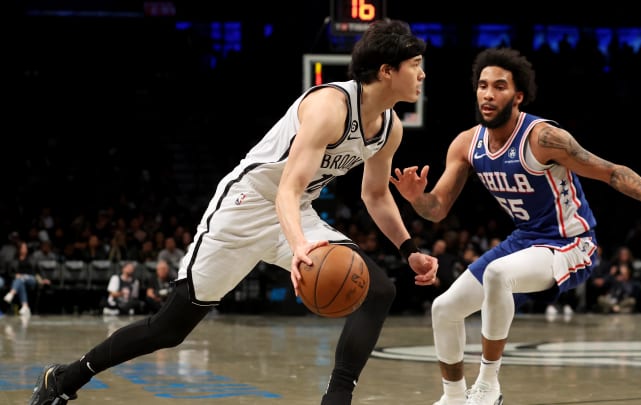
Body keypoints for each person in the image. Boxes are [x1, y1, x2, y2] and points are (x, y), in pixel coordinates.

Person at [29, 19, 438, 405]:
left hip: (296, 211)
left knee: (379, 289)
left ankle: (336, 398)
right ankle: (66, 378)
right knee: (169, 328)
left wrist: (409, 249)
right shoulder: (330, 106)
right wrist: (299, 247)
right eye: (415, 65)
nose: (421, 75)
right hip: (246, 206)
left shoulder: (389, 128)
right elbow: (286, 187)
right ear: (386, 71)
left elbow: (376, 196)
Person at [389, 47, 641, 405]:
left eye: (499, 86)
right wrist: (416, 198)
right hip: (525, 240)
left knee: (496, 274)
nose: (488, 94)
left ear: (518, 96)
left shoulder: (543, 138)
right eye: (482, 85)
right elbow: (438, 209)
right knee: (444, 308)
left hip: (572, 242)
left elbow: (610, 171)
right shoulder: (467, 143)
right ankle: (454, 398)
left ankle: (489, 385)